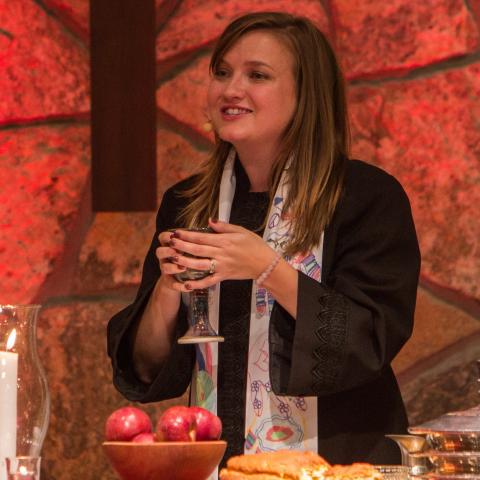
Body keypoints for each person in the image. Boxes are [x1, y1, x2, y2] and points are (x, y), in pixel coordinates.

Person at [107, 11, 420, 468]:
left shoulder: (365, 196)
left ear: (306, 93)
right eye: (222, 72)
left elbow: (368, 339)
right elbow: (147, 365)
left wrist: (267, 268)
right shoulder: (187, 203)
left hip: (340, 462)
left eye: (257, 75)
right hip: (218, 464)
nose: (231, 89)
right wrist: (167, 291)